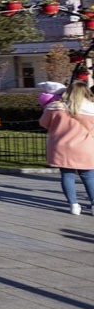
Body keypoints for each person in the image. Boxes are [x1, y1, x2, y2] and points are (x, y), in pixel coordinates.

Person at [41, 81, 94, 216]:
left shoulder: (54, 107)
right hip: (85, 147)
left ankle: (73, 205)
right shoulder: (91, 109)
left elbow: (43, 123)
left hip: (61, 147)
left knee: (67, 175)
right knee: (89, 177)